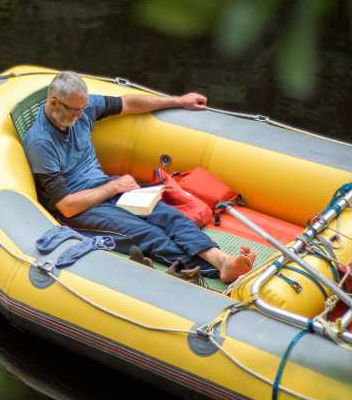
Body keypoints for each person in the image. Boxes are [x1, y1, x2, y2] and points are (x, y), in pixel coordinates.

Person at [22, 71, 253, 283]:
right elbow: (66, 206)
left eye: (83, 108)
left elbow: (127, 103)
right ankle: (215, 271)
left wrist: (178, 101)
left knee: (170, 216)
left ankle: (222, 260)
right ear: (53, 103)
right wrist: (114, 187)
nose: (81, 115)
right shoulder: (41, 142)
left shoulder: (82, 108)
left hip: (107, 186)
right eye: (75, 110)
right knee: (149, 234)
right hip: (82, 208)